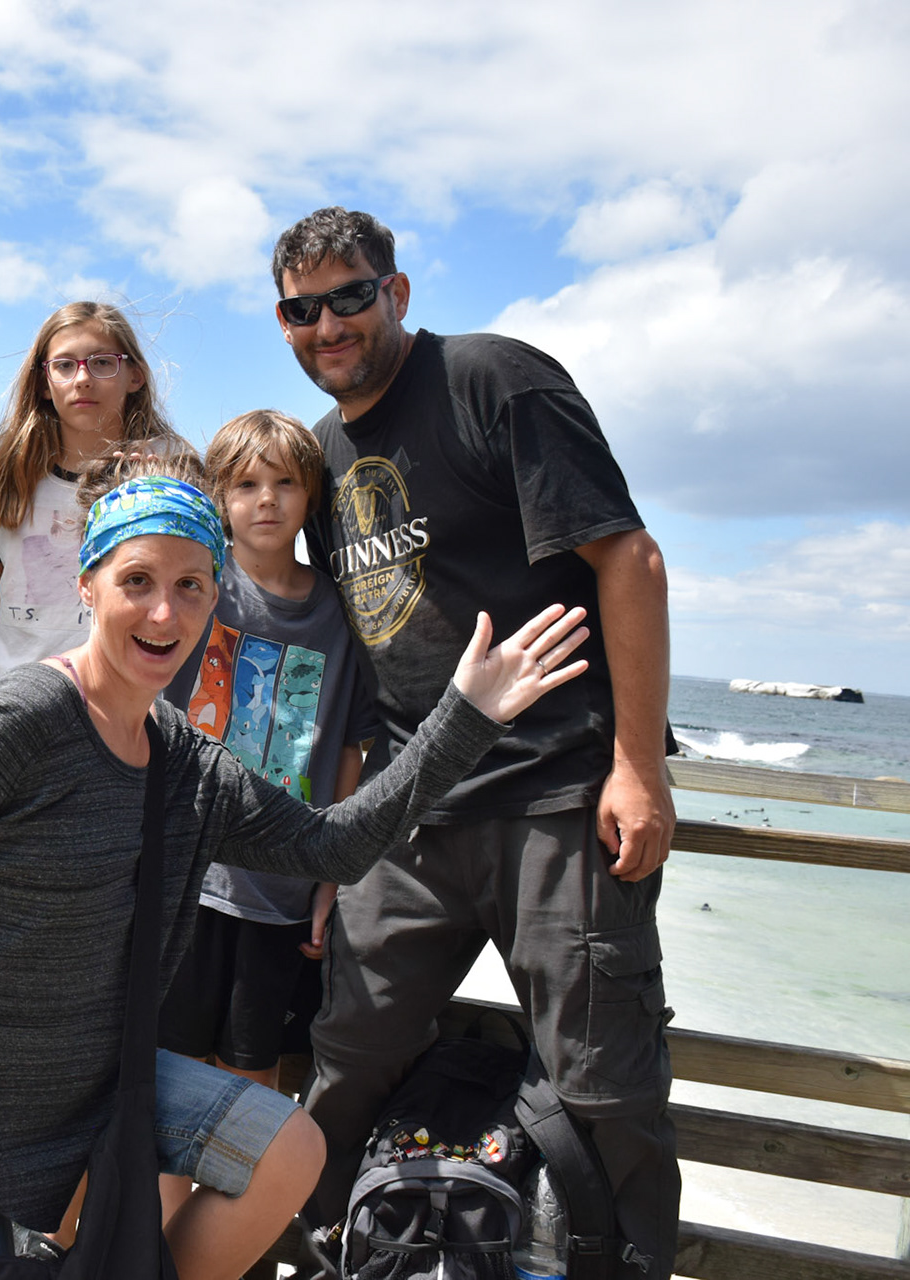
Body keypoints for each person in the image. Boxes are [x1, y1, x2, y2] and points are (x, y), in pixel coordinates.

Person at [0, 451, 591, 1280]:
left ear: (216, 599)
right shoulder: (18, 724)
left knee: (287, 1146)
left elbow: (333, 846)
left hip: (83, 1083)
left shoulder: (187, 764)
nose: (164, 611)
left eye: (192, 585)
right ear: (89, 586)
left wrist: (464, 718)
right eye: (138, 580)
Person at [269, 207, 678, 1276]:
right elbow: (358, 655)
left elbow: (630, 559)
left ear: (396, 293)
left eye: (349, 296)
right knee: (349, 1051)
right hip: (410, 811)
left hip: (558, 793)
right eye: (302, 310)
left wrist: (639, 767)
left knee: (601, 1080)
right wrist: (339, 839)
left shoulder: (491, 380)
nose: (328, 325)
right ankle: (334, 1251)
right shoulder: (321, 456)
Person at [154, 410, 378, 1220]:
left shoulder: (340, 614)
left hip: (281, 893)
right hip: (185, 882)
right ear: (220, 496)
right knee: (169, 1082)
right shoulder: (197, 587)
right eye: (245, 484)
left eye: (286, 482)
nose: (267, 500)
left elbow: (350, 751)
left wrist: (331, 876)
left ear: (311, 496)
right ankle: (153, 1252)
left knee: (252, 1086)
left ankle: (225, 1256)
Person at [0, 301, 179, 694]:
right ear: (43, 384)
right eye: (64, 365)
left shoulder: (166, 466)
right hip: (12, 699)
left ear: (135, 375)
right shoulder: (7, 465)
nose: (82, 378)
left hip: (118, 705)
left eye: (102, 362)